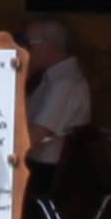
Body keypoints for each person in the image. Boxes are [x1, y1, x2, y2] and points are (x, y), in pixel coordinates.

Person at [20, 19, 92, 166]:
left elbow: (32, 138)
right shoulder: (52, 78)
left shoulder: (66, 83)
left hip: (42, 172)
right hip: (35, 166)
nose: (24, 49)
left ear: (50, 45)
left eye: (29, 43)